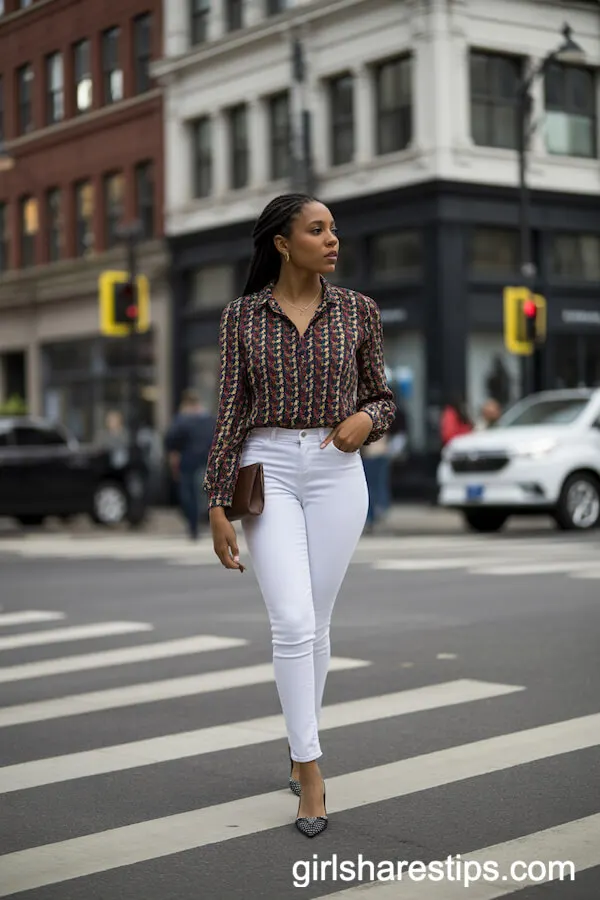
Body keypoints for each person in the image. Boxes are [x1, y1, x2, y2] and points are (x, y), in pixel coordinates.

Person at [203, 193, 396, 837]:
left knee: (317, 620)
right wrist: (216, 501)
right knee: (291, 620)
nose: (333, 239)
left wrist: (365, 419)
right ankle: (310, 770)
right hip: (269, 466)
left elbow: (382, 397)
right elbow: (231, 410)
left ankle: (298, 742)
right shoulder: (241, 317)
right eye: (318, 230)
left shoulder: (359, 310)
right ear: (283, 244)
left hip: (337, 469)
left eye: (334, 229)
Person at [165, 389, 216, 540]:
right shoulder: (208, 419)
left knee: (188, 495)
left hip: (188, 462)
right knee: (199, 493)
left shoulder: (182, 420)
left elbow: (171, 440)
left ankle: (194, 525)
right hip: (204, 461)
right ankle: (200, 521)